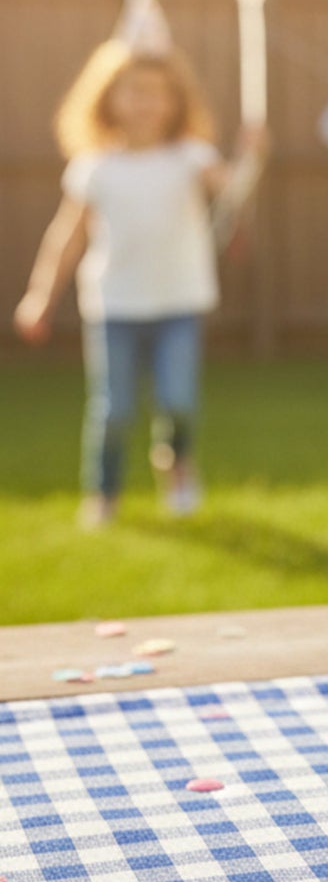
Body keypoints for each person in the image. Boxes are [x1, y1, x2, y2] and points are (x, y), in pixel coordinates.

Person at [13, 39, 266, 528]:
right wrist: (40, 297)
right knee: (113, 410)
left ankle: (178, 468)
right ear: (107, 99)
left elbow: (234, 193)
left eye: (157, 91)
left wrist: (253, 158)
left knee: (178, 402)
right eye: (133, 91)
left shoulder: (192, 156)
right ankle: (103, 493)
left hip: (179, 301)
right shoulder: (94, 166)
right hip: (114, 305)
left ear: (177, 100)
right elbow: (66, 237)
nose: (146, 102)